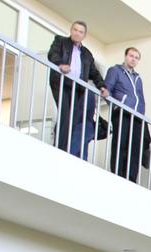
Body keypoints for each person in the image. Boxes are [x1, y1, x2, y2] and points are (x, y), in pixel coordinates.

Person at [47, 21, 108, 158]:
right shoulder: (60, 41)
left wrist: (102, 86)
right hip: (61, 82)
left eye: (80, 31)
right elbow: (52, 55)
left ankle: (68, 148)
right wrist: (61, 64)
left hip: (77, 88)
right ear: (71, 30)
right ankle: (60, 149)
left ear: (84, 35)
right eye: (75, 30)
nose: (77, 33)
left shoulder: (86, 53)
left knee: (74, 119)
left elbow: (94, 72)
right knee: (65, 114)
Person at [104, 47, 146, 183]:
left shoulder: (138, 78)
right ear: (125, 56)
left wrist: (141, 114)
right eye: (131, 56)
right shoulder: (115, 71)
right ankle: (117, 173)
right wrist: (117, 105)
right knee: (120, 143)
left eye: (136, 57)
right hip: (122, 112)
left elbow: (140, 97)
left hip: (136, 117)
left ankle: (131, 178)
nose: (133, 59)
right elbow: (107, 90)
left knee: (134, 148)